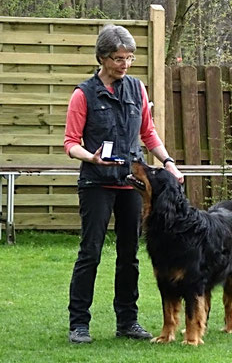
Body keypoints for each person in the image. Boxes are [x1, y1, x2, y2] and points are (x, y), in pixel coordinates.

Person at [64, 24, 184, 344]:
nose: (125, 64)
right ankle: (79, 324)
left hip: (132, 186)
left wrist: (168, 162)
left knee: (129, 255)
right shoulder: (83, 94)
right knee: (90, 252)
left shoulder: (137, 89)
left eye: (130, 58)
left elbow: (148, 133)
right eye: (118, 58)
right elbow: (70, 142)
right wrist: (90, 157)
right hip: (96, 183)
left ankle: (127, 322)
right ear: (102, 57)